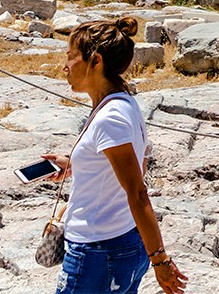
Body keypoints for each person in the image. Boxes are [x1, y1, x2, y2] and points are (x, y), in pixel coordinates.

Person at [44, 17, 187, 294]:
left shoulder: (110, 117)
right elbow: (124, 164)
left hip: (98, 251)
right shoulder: (122, 102)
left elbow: (137, 190)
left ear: (95, 61)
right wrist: (75, 166)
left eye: (72, 57)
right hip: (121, 240)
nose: (64, 66)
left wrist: (160, 260)